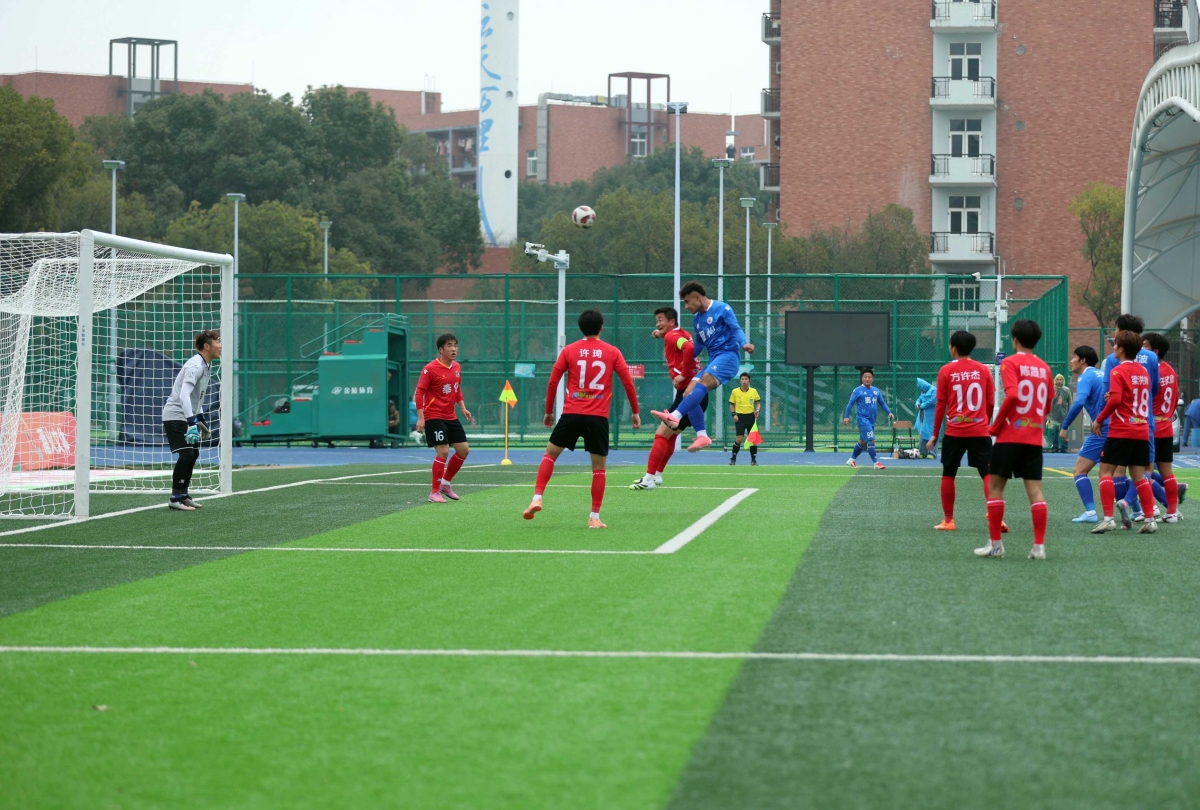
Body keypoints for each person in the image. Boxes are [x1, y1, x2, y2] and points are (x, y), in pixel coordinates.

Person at [524, 309, 640, 528]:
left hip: (571, 414)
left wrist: (549, 411)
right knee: (599, 468)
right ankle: (594, 517)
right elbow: (627, 382)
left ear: (580, 328)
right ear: (601, 328)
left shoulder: (569, 350)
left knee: (550, 455)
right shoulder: (612, 352)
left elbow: (553, 381)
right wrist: (635, 411)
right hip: (597, 417)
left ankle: (537, 497)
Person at [977, 319, 1054, 560]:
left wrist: (995, 426)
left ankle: (996, 545)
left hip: (1009, 437)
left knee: (996, 488)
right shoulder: (1045, 368)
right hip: (1033, 439)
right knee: (1036, 492)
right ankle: (1039, 547)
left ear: (1015, 340)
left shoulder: (1009, 363)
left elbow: (1012, 395)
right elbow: (1048, 405)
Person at [651, 282, 753, 452]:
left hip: (728, 356)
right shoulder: (697, 320)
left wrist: (744, 344)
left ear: (697, 298)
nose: (686, 306)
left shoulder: (722, 309)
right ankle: (702, 436)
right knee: (688, 392)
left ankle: (675, 416)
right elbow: (697, 346)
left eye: (687, 302)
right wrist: (665, 336)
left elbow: (736, 329)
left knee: (703, 382)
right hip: (714, 360)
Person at [926, 330, 997, 531]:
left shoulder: (946, 371)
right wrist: (985, 423)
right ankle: (996, 517)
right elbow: (990, 401)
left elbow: (941, 404)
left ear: (953, 348)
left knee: (949, 473)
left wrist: (934, 433)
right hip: (980, 431)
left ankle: (949, 520)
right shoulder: (983, 370)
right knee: (987, 473)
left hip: (954, 431)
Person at [1090, 330, 1159, 535]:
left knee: (1105, 472)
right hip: (1142, 429)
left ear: (1121, 349)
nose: (1113, 348)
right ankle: (1150, 520)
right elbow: (1132, 396)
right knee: (1139, 476)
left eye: (1115, 344)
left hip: (1121, 429)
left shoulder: (1117, 371)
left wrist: (1099, 419)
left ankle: (1108, 519)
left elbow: (1116, 400)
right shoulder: (1143, 372)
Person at [632, 307, 705, 490]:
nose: (657, 323)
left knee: (661, 434)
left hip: (688, 394)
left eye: (661, 320)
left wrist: (684, 374)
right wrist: (662, 334)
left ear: (671, 322)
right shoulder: (681, 334)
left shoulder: (672, 336)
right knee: (670, 435)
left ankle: (648, 479)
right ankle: (657, 476)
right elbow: (685, 344)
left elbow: (688, 348)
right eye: (656, 320)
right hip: (697, 392)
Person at [162, 329, 221, 511]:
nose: (220, 346)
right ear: (207, 346)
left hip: (186, 415)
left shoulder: (206, 365)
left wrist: (200, 420)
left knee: (193, 454)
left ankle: (184, 495)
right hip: (175, 416)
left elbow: (197, 397)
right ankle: (175, 498)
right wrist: (191, 423)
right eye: (217, 342)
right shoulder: (195, 366)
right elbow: (184, 396)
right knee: (186, 455)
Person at [414, 333, 474, 504]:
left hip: (450, 416)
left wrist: (462, 407)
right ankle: (434, 492)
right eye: (449, 345)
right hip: (433, 415)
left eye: (455, 345)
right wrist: (421, 418)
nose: (454, 349)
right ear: (441, 350)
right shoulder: (430, 369)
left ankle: (445, 484)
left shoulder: (457, 367)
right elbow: (419, 392)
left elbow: (457, 388)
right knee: (443, 451)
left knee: (463, 450)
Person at [1059, 345, 1106, 523]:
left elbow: (1079, 402)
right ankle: (1140, 510)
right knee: (1117, 473)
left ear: (1083, 360)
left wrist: (1065, 426)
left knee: (1080, 470)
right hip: (1119, 427)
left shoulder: (1085, 376)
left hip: (1102, 429)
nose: (1071, 361)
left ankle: (1091, 512)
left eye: (1074, 357)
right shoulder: (1102, 375)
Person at [1144, 333, 1187, 523]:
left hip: (1151, 428)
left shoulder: (1151, 372)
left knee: (1142, 471)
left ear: (1154, 351)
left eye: (1145, 346)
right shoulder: (1171, 370)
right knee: (1166, 471)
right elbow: (1175, 398)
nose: (1141, 350)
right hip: (1166, 426)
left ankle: (1148, 509)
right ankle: (1171, 512)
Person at [842, 369, 894, 469]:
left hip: (872, 420)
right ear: (862, 379)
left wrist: (889, 412)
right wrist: (846, 416)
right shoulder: (858, 390)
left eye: (869, 377)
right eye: (865, 377)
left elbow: (882, 403)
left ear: (872, 379)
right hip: (862, 420)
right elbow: (850, 403)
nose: (867, 379)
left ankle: (852, 460)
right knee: (871, 439)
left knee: (862, 441)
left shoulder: (876, 390)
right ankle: (876, 463)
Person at [728, 372, 761, 466]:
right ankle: (733, 458)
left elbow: (758, 403)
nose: (744, 381)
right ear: (740, 381)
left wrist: (757, 410)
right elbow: (731, 404)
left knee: (752, 439)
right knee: (739, 438)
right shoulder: (735, 391)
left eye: (746, 379)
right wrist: (734, 414)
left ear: (749, 381)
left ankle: (753, 460)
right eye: (742, 379)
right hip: (740, 417)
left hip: (751, 417)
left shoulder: (753, 391)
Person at [1048, 374, 1072, 452]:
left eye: (1060, 379)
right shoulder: (1052, 389)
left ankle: (1064, 448)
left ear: (1063, 381)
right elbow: (1048, 401)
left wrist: (1070, 413)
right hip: (1054, 415)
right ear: (1055, 380)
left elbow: (1070, 402)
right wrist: (1048, 414)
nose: (1059, 381)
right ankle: (1055, 447)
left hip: (1064, 415)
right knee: (1054, 432)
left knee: (1064, 431)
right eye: (1057, 379)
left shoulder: (1067, 390)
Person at [914, 378, 937, 459]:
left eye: (921, 388)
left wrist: (922, 405)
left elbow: (933, 401)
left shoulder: (934, 390)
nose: (921, 390)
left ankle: (932, 453)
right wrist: (917, 403)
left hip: (932, 416)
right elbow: (919, 399)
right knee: (922, 433)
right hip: (923, 415)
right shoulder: (924, 391)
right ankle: (922, 452)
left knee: (932, 434)